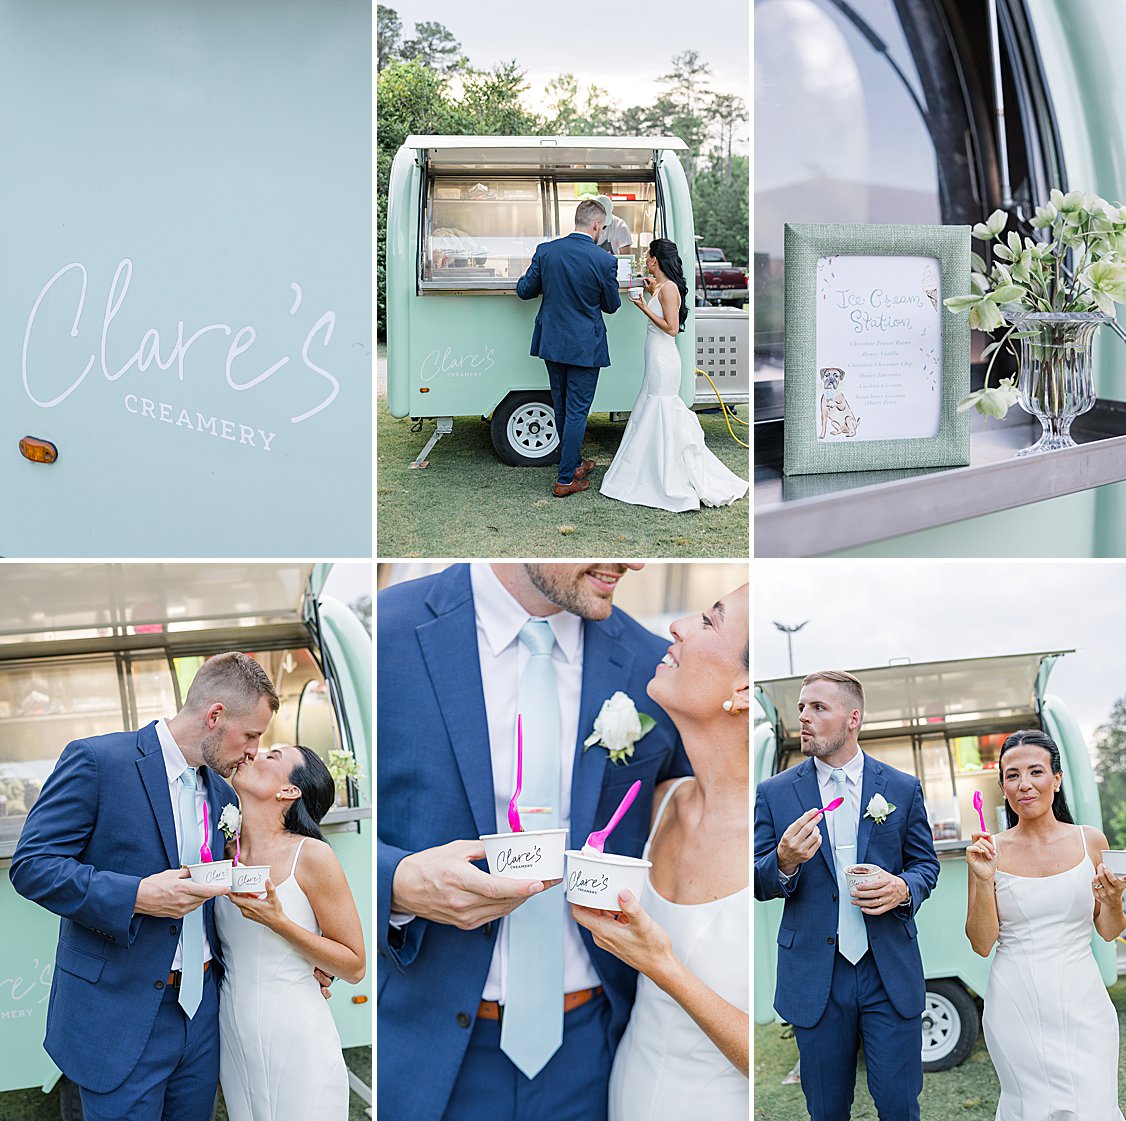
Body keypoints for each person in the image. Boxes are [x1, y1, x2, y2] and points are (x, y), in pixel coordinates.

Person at [377, 562, 691, 1121]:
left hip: (596, 1049)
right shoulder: (388, 630)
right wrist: (396, 883)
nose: (634, 560)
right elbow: (312, 815)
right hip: (424, 1043)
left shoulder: (654, 664)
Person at [10, 652, 279, 1121]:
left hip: (201, 1014)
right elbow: (33, 865)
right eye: (251, 735)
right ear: (215, 716)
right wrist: (136, 896)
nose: (255, 750)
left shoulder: (222, 793)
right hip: (119, 1013)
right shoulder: (98, 761)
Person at [572, 583, 750, 1121]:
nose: (678, 626)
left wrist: (660, 964)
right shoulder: (661, 802)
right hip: (624, 1092)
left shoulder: (783, 843)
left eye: (710, 621)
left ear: (744, 690)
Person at [754, 670, 940, 1121]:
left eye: (818, 707)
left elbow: (925, 866)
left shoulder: (901, 788)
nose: (804, 717)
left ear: (853, 718)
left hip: (887, 969)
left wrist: (903, 887)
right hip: (815, 974)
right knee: (826, 1110)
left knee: (899, 1106)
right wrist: (784, 861)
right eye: (801, 707)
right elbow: (758, 881)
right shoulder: (774, 793)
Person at [965, 728, 1126, 1121]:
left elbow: (1108, 931)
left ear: (1056, 779)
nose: (1024, 784)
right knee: (1031, 1109)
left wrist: (1113, 900)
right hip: (1015, 1002)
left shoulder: (1090, 841)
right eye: (1012, 775)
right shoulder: (988, 851)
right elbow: (982, 943)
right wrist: (984, 881)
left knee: (1093, 1106)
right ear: (1003, 787)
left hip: (1084, 1002)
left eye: (1035, 772)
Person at [216, 743, 366, 1121]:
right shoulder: (221, 852)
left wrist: (278, 922)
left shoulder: (312, 855)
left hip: (296, 1033)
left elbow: (354, 965)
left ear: (289, 791)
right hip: (233, 1035)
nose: (253, 754)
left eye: (272, 756)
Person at [599, 239, 748, 511]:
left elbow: (671, 328)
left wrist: (644, 307)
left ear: (655, 259)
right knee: (652, 406)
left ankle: (662, 472)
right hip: (656, 356)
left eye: (647, 254)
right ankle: (650, 466)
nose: (645, 258)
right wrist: (651, 291)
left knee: (660, 407)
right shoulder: (662, 287)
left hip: (663, 359)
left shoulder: (669, 289)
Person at [516, 200, 621, 497]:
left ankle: (574, 463)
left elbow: (524, 290)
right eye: (603, 227)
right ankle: (565, 480)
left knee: (562, 406)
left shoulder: (546, 251)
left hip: (552, 341)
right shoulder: (604, 260)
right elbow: (611, 305)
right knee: (577, 411)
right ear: (597, 225)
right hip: (585, 345)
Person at [592, 193, 633, 257]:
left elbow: (626, 258)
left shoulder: (620, 226)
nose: (601, 228)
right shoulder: (585, 225)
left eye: (604, 226)